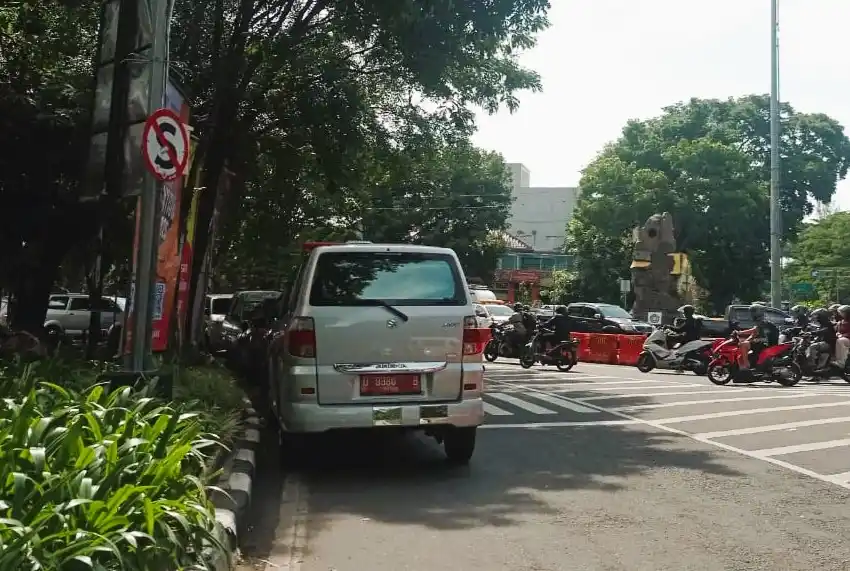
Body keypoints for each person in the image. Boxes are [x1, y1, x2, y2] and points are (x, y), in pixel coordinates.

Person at [736, 303, 778, 370]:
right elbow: (754, 332)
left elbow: (763, 337)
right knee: (740, 356)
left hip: (765, 344)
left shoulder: (762, 322)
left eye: (753, 311)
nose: (751, 313)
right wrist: (741, 333)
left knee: (743, 345)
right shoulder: (760, 321)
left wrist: (748, 340)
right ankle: (743, 370)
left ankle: (747, 365)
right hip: (760, 343)